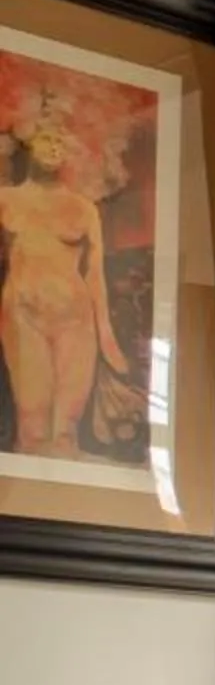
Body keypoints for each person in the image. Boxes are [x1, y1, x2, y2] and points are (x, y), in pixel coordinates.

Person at [0, 98, 132, 463]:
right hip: (23, 317)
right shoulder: (6, 201)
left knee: (64, 432)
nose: (55, 146)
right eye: (46, 138)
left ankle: (63, 506)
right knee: (33, 423)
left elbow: (95, 275)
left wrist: (107, 337)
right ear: (27, 142)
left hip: (77, 321)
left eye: (61, 141)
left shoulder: (83, 209)